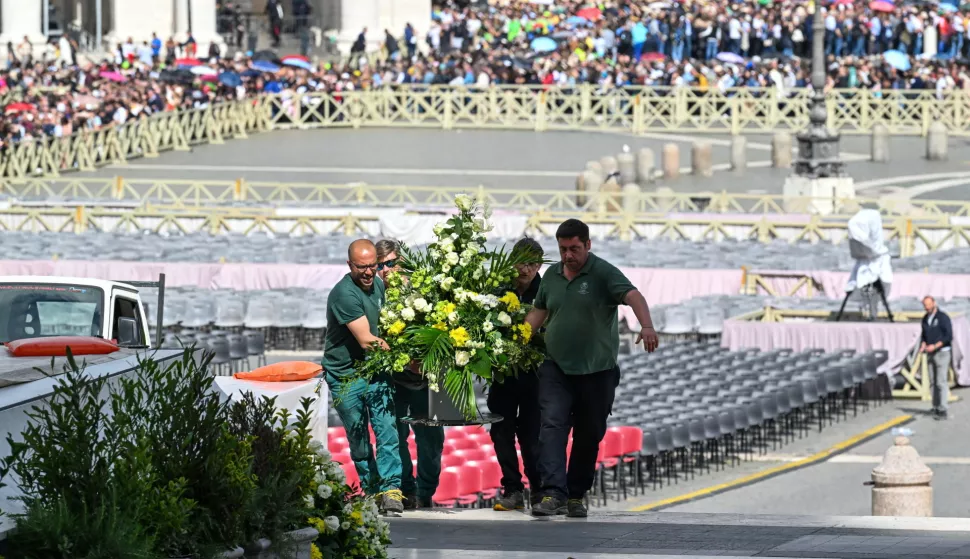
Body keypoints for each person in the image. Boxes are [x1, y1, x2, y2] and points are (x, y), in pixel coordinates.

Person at [525, 219, 659, 518]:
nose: (568, 255)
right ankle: (553, 493)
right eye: (563, 249)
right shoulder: (552, 275)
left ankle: (576, 495)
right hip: (555, 367)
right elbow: (540, 310)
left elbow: (633, 295)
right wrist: (518, 339)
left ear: (588, 245)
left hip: (597, 371)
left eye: (574, 248)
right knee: (551, 427)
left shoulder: (603, 272)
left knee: (588, 434)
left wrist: (647, 326)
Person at [323, 239, 404, 514]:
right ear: (350, 265)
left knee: (387, 429)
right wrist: (405, 353)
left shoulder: (378, 285)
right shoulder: (344, 294)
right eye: (362, 268)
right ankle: (371, 490)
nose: (369, 273)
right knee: (358, 437)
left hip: (375, 369)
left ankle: (391, 489)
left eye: (373, 266)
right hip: (346, 375)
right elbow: (368, 340)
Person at [375, 239, 445, 510]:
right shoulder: (375, 295)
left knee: (432, 442)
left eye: (391, 263)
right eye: (380, 265)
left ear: (401, 262)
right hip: (395, 379)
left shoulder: (424, 288)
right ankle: (407, 489)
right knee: (396, 437)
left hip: (432, 378)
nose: (386, 270)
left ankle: (426, 491)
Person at [488, 237, 544, 511]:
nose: (525, 270)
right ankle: (512, 488)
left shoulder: (547, 291)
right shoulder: (498, 289)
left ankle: (539, 489)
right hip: (503, 374)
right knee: (501, 432)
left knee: (532, 436)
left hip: (536, 376)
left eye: (532, 264)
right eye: (521, 263)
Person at [920, 295, 952, 421]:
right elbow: (924, 335)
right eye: (925, 305)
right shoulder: (925, 319)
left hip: (942, 352)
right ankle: (936, 406)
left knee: (941, 382)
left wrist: (935, 346)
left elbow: (948, 336)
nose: (927, 308)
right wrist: (923, 345)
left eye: (929, 305)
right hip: (930, 353)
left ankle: (943, 408)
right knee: (933, 382)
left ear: (934, 303)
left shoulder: (943, 318)